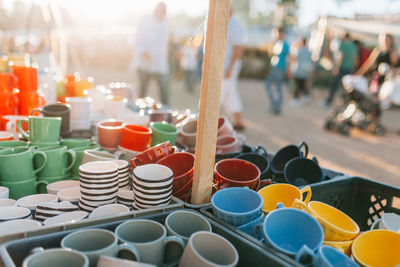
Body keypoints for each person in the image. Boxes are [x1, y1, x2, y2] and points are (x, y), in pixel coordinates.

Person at [134, 2, 170, 104]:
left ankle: (165, 115)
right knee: (142, 93)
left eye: (164, 11)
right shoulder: (145, 21)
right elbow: (137, 41)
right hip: (145, 64)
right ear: (155, 11)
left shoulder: (166, 23)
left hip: (160, 65)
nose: (162, 13)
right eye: (160, 11)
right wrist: (143, 52)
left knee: (164, 93)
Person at [220, 8, 245, 130]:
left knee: (218, 93)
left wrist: (230, 69)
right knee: (230, 94)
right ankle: (239, 122)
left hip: (228, 67)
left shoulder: (235, 25)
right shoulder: (224, 23)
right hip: (224, 67)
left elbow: (238, 48)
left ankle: (210, 123)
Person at [324, 33, 358, 106]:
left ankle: (329, 101)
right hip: (350, 69)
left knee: (335, 85)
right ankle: (347, 104)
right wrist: (354, 69)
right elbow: (356, 59)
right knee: (348, 87)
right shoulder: (354, 46)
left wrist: (337, 68)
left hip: (342, 68)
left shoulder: (343, 45)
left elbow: (340, 57)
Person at [265, 27, 290, 115]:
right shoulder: (277, 43)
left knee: (274, 87)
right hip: (275, 67)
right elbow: (270, 53)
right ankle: (276, 106)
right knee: (275, 88)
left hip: (280, 68)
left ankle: (276, 106)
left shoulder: (284, 44)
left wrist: (288, 70)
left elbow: (288, 58)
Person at [290, 37, 313, 107]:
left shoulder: (299, 50)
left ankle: (296, 99)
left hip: (299, 70)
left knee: (297, 85)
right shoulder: (309, 51)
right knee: (302, 84)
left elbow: (294, 58)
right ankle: (306, 96)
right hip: (306, 71)